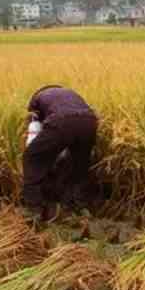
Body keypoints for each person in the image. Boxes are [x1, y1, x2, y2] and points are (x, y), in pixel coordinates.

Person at [23, 85, 98, 222]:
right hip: (90, 121)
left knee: (32, 157)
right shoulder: (71, 93)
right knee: (79, 164)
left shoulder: (37, 100)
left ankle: (34, 209)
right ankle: (79, 207)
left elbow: (35, 129)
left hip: (61, 121)